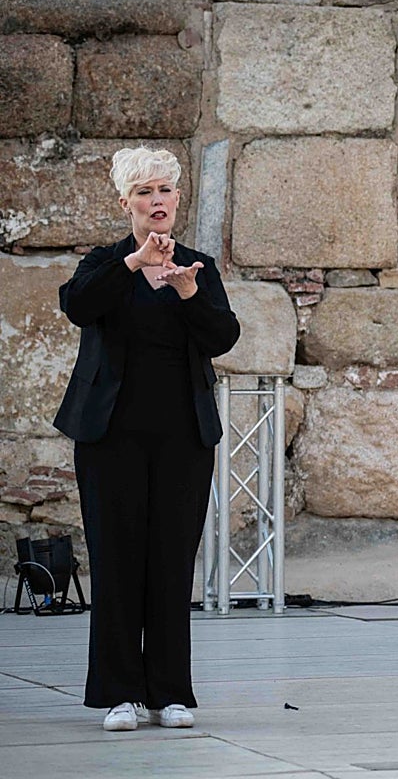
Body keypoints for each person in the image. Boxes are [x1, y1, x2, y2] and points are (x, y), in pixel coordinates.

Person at [54, 147, 240, 732]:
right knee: (116, 558)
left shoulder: (197, 266)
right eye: (144, 193)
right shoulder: (106, 262)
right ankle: (119, 693)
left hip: (183, 436)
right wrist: (134, 263)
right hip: (111, 437)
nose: (156, 201)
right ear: (126, 203)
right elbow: (78, 306)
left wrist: (187, 293)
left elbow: (223, 337)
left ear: (177, 199)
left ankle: (169, 692)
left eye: (164, 191)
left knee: (170, 561)